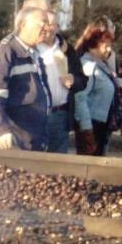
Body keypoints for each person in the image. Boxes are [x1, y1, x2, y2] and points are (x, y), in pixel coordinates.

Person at [0, 5, 50, 151]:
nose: (47, 27)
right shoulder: (5, 55)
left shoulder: (36, 55)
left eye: (48, 23)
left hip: (31, 141)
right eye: (42, 22)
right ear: (23, 24)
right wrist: (1, 130)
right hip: (11, 142)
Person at [73, 28, 120, 157]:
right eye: (106, 46)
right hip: (91, 125)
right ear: (94, 45)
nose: (110, 50)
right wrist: (87, 129)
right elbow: (80, 97)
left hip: (101, 124)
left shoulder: (101, 65)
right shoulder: (88, 66)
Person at [36, 12, 78, 153]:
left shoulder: (66, 49)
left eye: (54, 25)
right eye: (47, 24)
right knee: (36, 159)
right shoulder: (33, 49)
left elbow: (82, 78)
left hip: (60, 114)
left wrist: (74, 80)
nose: (50, 28)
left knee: (58, 161)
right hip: (38, 113)